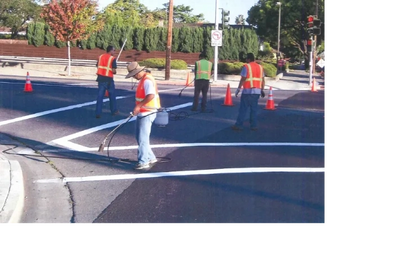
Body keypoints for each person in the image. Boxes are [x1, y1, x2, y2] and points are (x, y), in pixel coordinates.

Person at [125, 61, 161, 170]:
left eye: (134, 75)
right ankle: (150, 157)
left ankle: (143, 161)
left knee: (142, 138)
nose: (134, 77)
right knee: (140, 137)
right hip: (144, 111)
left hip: (147, 111)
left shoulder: (147, 81)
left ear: (138, 72)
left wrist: (138, 106)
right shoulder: (144, 79)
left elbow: (150, 95)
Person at [232, 53, 266, 131]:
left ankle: (238, 125)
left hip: (247, 91)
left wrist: (238, 89)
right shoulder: (260, 67)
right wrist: (262, 90)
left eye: (246, 59)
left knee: (243, 109)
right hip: (257, 91)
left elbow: (243, 79)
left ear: (248, 59)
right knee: (254, 109)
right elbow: (263, 80)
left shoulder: (246, 67)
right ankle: (254, 125)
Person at [95, 45, 119, 119]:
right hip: (108, 79)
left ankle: (98, 112)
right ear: (111, 50)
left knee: (100, 96)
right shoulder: (112, 59)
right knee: (112, 96)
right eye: (114, 50)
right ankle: (114, 111)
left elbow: (97, 65)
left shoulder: (100, 57)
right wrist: (115, 71)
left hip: (100, 78)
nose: (114, 52)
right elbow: (114, 70)